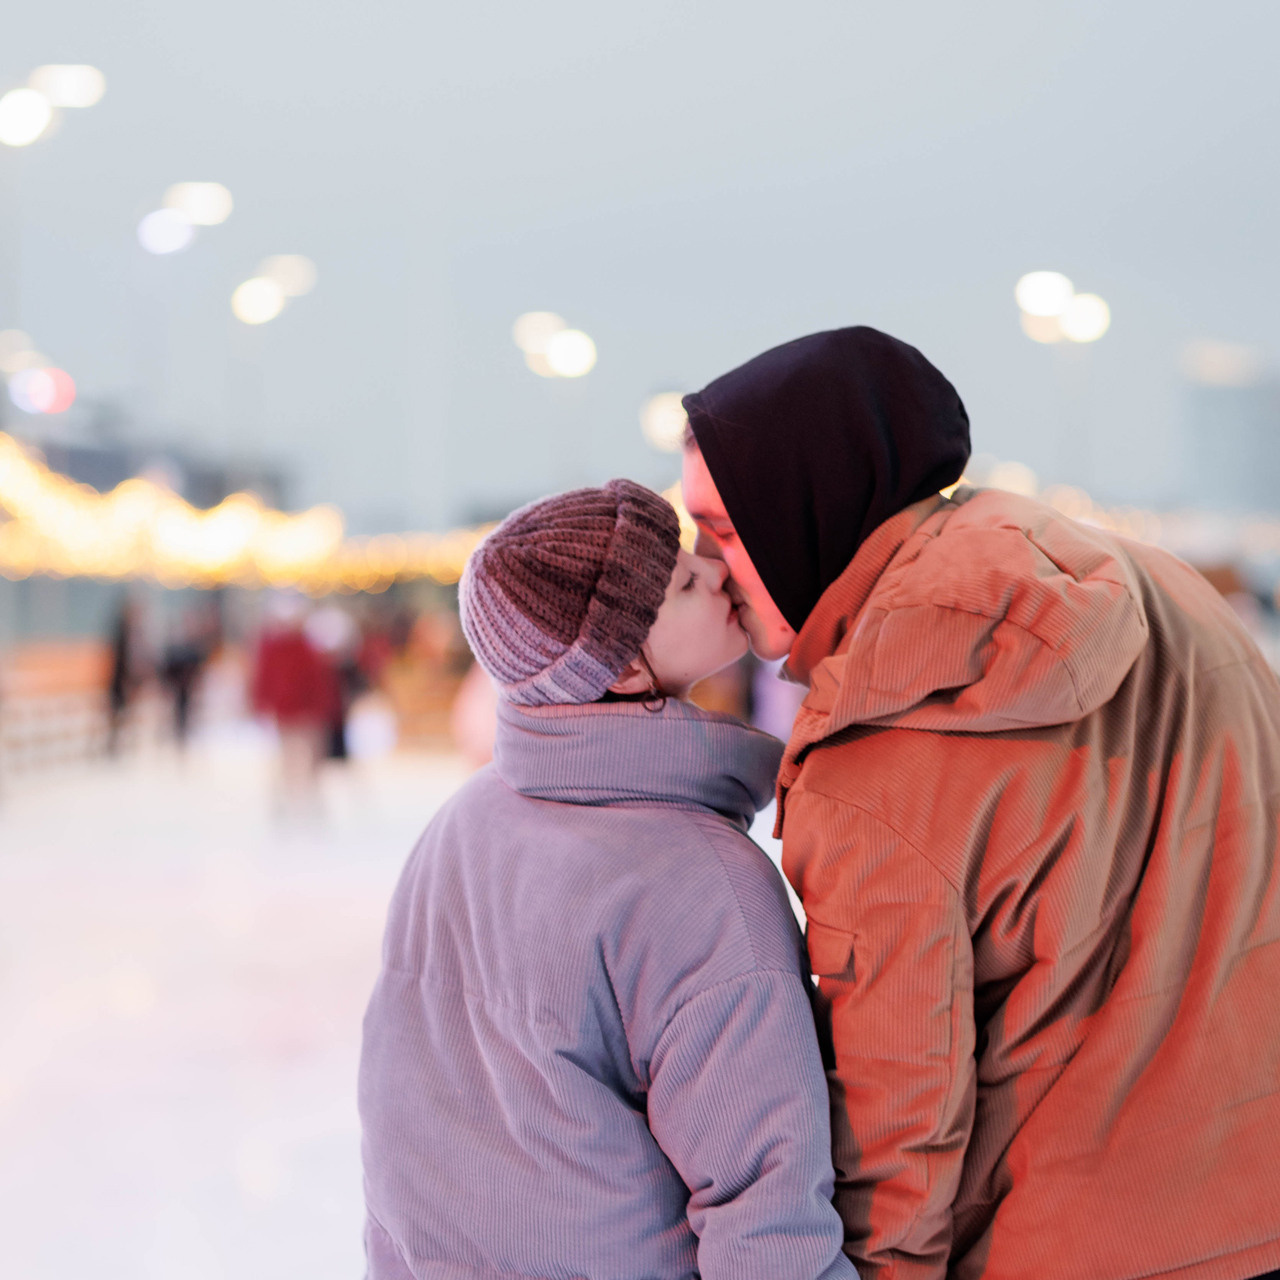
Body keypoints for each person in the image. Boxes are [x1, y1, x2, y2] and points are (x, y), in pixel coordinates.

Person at [681, 326, 1280, 1280]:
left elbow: (894, 1116)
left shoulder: (877, 750)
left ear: (809, 504)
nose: (708, 569)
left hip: (1070, 1244)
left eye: (720, 528)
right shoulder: (1170, 595)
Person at [358, 479, 856, 1280]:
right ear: (622, 666)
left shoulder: (458, 825)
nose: (718, 574)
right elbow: (766, 1205)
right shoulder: (701, 884)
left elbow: (398, 1141)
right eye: (686, 583)